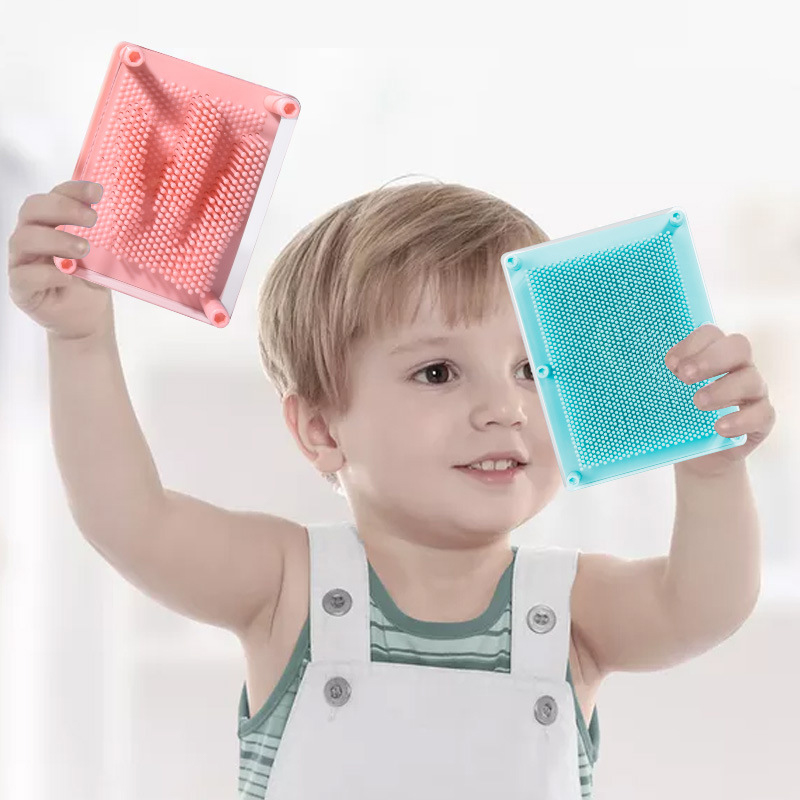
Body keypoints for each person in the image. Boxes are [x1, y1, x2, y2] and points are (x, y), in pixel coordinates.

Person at [7, 178, 775, 799]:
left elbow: (703, 606)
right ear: (322, 430)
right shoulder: (287, 585)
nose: (504, 408)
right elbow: (130, 518)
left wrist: (712, 468)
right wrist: (81, 342)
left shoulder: (572, 607)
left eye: (530, 369)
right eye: (437, 372)